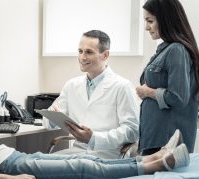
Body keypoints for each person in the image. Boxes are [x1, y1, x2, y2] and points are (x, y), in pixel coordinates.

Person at [0, 90, 189, 179]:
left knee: (84, 156)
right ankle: (156, 165)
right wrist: (8, 178)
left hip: (15, 157)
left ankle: (153, 155)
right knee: (82, 167)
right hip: (8, 166)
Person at [43, 30, 139, 159]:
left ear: (105, 55)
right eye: (80, 51)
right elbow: (48, 124)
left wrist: (94, 138)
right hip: (76, 152)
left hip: (107, 155)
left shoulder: (122, 86)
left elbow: (132, 131)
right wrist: (53, 116)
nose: (82, 57)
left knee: (39, 167)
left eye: (89, 52)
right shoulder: (72, 85)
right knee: (33, 161)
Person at [136, 0, 199, 155]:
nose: (146, 27)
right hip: (156, 138)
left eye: (150, 21)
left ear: (166, 19)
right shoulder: (165, 50)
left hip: (166, 142)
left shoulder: (176, 50)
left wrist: (147, 92)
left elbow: (177, 97)